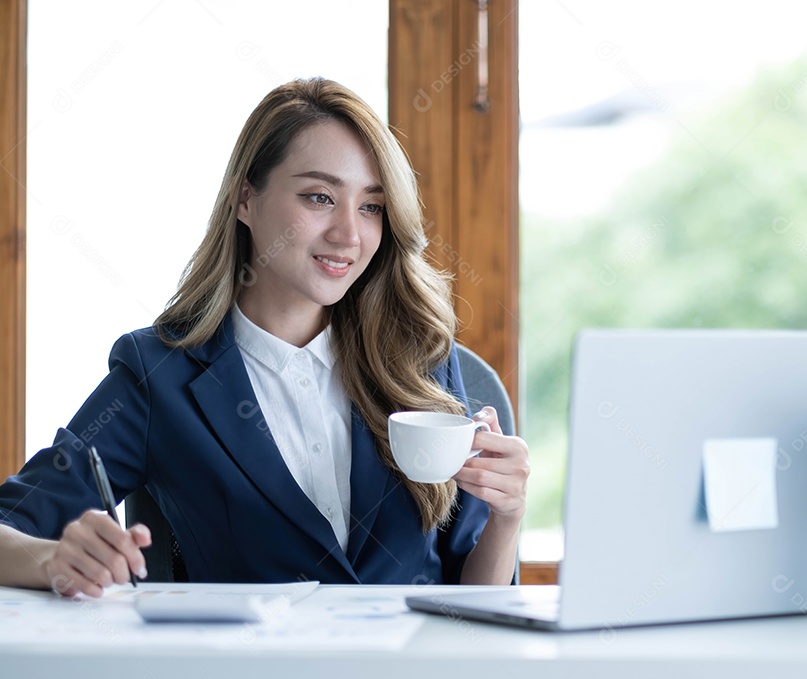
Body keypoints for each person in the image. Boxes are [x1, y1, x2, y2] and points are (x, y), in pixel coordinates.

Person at [0, 77, 529, 597]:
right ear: (245, 201)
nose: (349, 233)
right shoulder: (158, 373)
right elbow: (10, 525)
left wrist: (507, 517)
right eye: (320, 197)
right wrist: (52, 557)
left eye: (371, 206)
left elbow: (473, 599)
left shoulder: (419, 359)